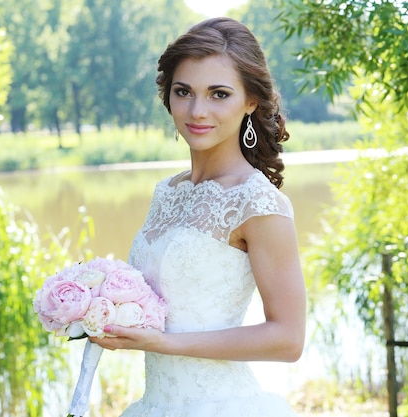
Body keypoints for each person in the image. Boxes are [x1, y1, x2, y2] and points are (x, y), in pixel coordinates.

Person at [90, 16, 306, 416]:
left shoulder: (257, 203)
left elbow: (288, 340)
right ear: (168, 97)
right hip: (156, 404)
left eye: (218, 94)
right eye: (183, 91)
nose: (197, 110)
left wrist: (163, 342)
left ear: (251, 101)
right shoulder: (167, 192)